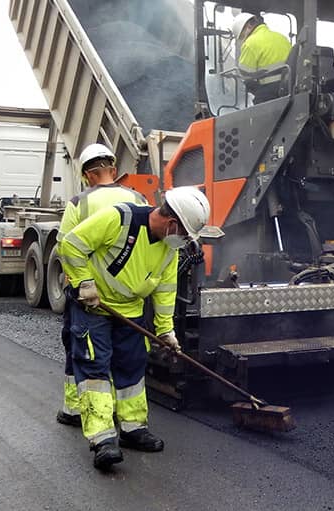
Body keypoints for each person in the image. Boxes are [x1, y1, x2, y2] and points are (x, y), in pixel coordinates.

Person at [59, 186, 211, 470]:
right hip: (95, 306)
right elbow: (71, 244)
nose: (184, 241)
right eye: (184, 234)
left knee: (132, 367)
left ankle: (132, 429)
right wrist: (83, 283)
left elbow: (165, 289)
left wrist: (166, 331)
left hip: (130, 311)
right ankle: (103, 439)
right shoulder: (119, 219)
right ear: (172, 223)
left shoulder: (168, 248)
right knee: (95, 367)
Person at [55, 143, 147, 428]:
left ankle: (73, 409)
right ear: (114, 171)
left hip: (89, 296)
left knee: (81, 352)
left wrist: (80, 282)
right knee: (128, 360)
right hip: (129, 296)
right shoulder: (139, 198)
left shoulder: (80, 202)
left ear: (87, 175)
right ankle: (130, 421)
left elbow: (64, 245)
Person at [229, 12, 292, 103]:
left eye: (242, 36)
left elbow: (245, 75)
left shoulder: (250, 43)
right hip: (289, 87)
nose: (244, 39)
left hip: (270, 89)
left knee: (255, 113)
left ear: (249, 26)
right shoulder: (282, 38)